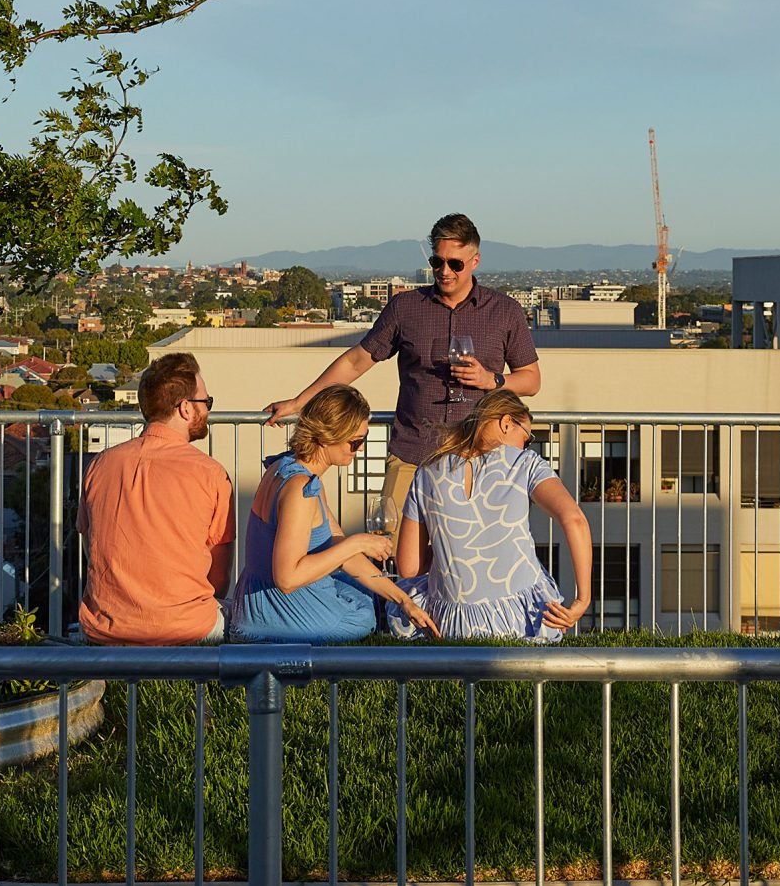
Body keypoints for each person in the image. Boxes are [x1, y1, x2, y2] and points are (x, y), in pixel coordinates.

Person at [264, 212, 541, 534]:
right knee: (392, 553)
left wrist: (492, 380)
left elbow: (531, 380)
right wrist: (299, 403)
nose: (444, 271)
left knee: (467, 562)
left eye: (455, 264)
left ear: (475, 260)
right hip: (413, 454)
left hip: (478, 459)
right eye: (438, 262)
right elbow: (356, 361)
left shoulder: (504, 311)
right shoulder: (406, 308)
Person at [230, 389, 439, 642]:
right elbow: (287, 578)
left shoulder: (286, 468)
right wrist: (358, 542)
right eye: (355, 442)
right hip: (279, 619)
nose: (359, 450)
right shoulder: (301, 490)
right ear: (328, 436)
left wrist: (403, 600)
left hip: (252, 609)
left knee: (364, 586)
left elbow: (339, 548)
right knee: (362, 613)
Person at [392, 390, 593, 641]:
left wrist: (452, 547)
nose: (526, 445)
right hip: (518, 619)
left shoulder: (427, 471)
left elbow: (409, 567)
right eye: (527, 437)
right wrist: (583, 598)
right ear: (506, 422)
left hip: (451, 624)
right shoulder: (525, 463)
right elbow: (574, 520)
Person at [76, 352, 233, 644]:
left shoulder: (99, 464)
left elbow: (91, 547)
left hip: (106, 627)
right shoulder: (211, 474)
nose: (208, 410)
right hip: (187, 628)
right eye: (206, 403)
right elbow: (219, 579)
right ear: (186, 408)